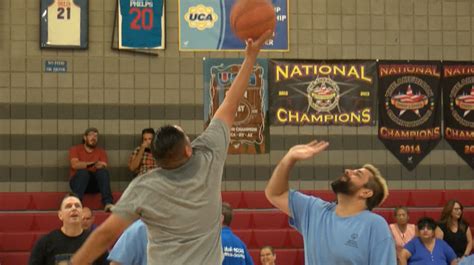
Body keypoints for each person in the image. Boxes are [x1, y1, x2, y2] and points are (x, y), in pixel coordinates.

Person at [71, 30, 273, 265]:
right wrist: (251, 58)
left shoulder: (143, 187)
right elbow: (230, 102)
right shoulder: (208, 155)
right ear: (188, 149)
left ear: (157, 160)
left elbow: (105, 234)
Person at [265, 140, 397, 265]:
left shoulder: (375, 225)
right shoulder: (314, 210)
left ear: (366, 193)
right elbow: (275, 194)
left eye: (357, 174)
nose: (348, 171)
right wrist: (289, 158)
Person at [29, 193, 107, 265]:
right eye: (68, 206)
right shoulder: (45, 243)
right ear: (60, 215)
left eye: (77, 206)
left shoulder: (95, 242)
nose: (74, 208)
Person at [69, 127, 114, 212]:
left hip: (94, 185)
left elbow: (103, 165)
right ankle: (76, 204)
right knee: (83, 173)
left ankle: (108, 203)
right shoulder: (75, 149)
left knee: (103, 172)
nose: (94, 138)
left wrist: (84, 164)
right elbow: (74, 165)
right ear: (85, 137)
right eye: (91, 135)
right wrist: (90, 164)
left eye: (96, 136)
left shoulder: (101, 152)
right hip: (77, 183)